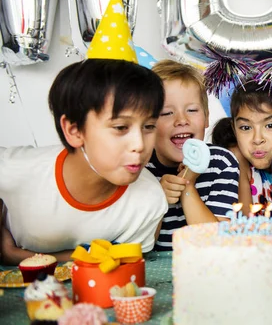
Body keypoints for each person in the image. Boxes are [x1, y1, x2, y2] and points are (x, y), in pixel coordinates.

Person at [0, 59, 168, 264]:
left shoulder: (148, 201)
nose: (139, 145)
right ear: (74, 130)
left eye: (149, 126)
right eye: (121, 127)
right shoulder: (19, 169)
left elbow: (118, 262)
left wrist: (16, 256)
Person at [147, 59, 239, 251]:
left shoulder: (221, 163)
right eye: (166, 113)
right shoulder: (141, 170)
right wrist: (157, 199)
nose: (182, 120)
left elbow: (215, 244)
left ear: (206, 116)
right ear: (148, 124)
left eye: (191, 110)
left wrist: (188, 186)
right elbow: (142, 248)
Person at [212, 81, 272, 215]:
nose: (257, 139)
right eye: (245, 128)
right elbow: (246, 222)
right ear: (234, 129)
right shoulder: (236, 163)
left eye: (270, 126)